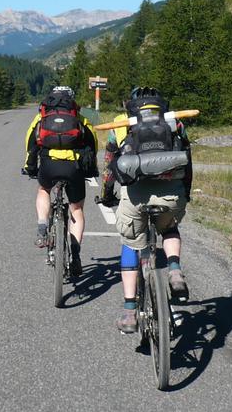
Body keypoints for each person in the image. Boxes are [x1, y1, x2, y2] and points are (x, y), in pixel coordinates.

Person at [113, 87, 193, 334]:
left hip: (137, 195)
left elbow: (110, 164)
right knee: (169, 228)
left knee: (130, 242)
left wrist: (107, 194)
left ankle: (129, 312)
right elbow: (188, 161)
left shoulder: (121, 123)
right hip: (171, 193)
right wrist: (185, 193)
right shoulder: (174, 123)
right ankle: (175, 272)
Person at [22, 85, 98, 278]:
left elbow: (31, 142)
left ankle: (41, 228)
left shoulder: (42, 117)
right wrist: (90, 169)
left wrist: (30, 167)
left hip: (48, 165)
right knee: (77, 209)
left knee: (43, 190)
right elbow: (93, 144)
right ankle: (76, 255)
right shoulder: (79, 118)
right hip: (73, 167)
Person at [95, 101, 128, 208]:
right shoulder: (167, 119)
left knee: (109, 167)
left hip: (121, 150)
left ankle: (107, 195)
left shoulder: (121, 119)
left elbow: (113, 144)